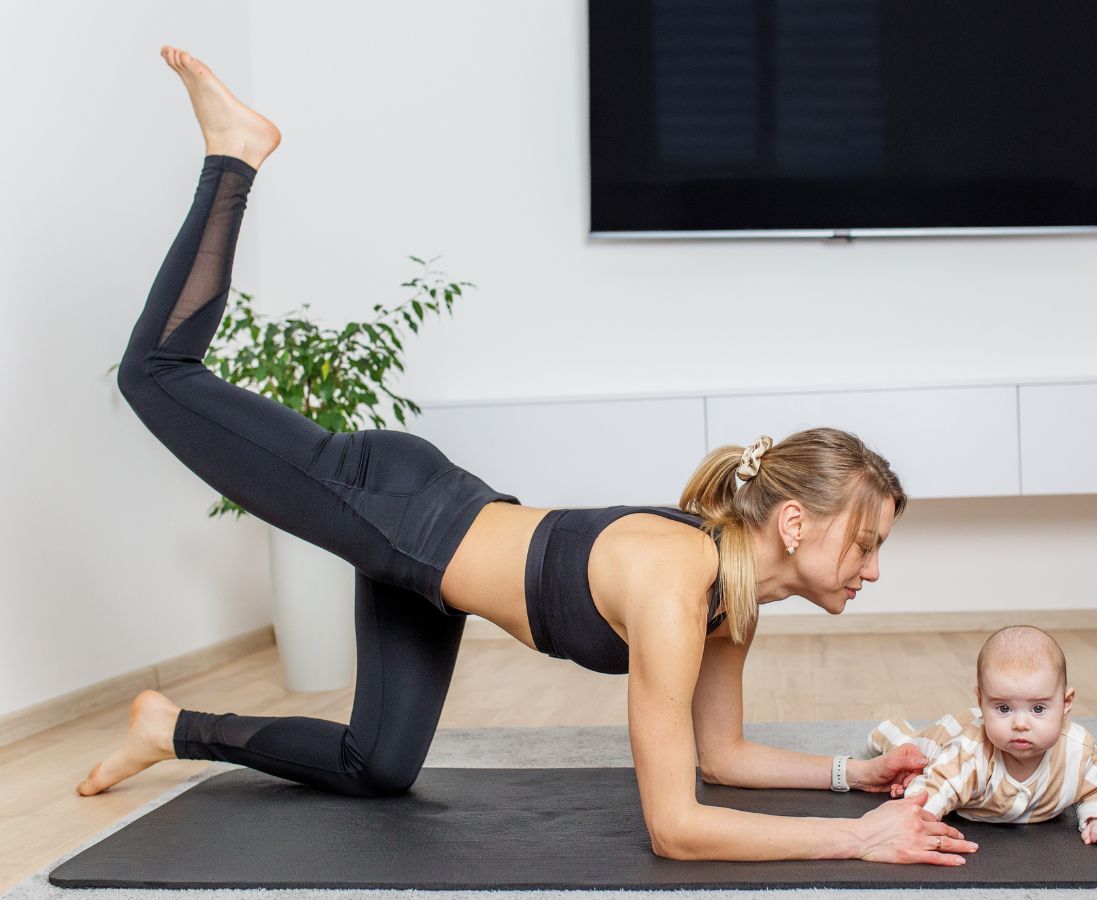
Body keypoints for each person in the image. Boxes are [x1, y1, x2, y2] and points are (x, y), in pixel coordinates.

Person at [77, 45, 979, 867]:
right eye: (865, 543)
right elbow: (675, 827)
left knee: (376, 765)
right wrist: (858, 842)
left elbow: (722, 758)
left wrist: (849, 781)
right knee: (156, 374)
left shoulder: (731, 602)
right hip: (390, 503)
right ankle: (234, 154)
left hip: (424, 559)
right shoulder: (677, 582)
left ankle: (171, 728)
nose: (870, 568)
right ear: (794, 520)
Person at [865, 625, 1097, 849]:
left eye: (1038, 709)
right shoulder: (970, 751)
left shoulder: (1077, 750)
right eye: (1003, 708)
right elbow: (936, 787)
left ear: (1066, 702)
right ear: (981, 701)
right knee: (913, 753)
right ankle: (890, 731)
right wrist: (916, 816)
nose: (1021, 724)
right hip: (950, 734)